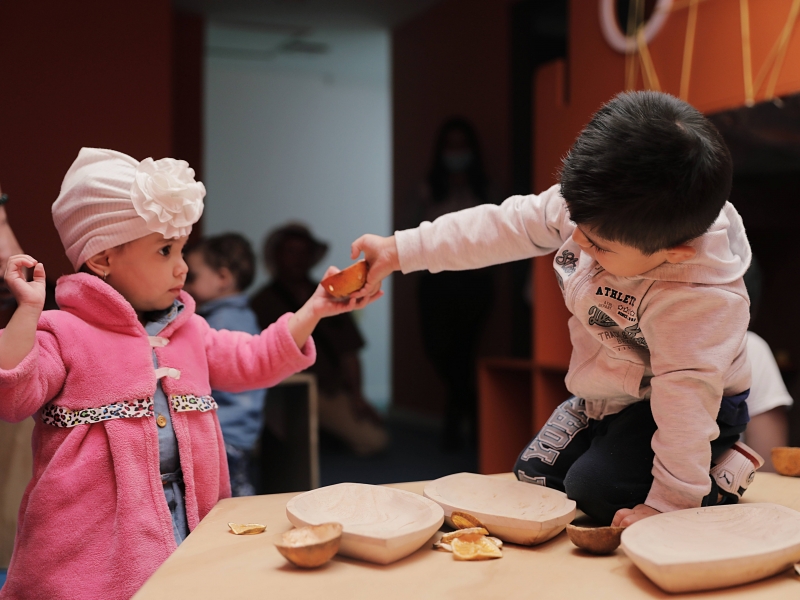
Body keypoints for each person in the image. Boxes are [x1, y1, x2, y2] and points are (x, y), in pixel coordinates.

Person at [351, 91, 760, 528]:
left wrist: (671, 504)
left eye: (599, 246)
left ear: (674, 253)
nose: (578, 243)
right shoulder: (596, 206)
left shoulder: (701, 298)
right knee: (536, 477)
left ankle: (723, 472)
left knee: (596, 493)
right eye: (576, 225)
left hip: (694, 406)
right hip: (608, 393)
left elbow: (685, 408)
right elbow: (502, 226)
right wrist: (400, 250)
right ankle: (600, 422)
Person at [0, 148, 379, 600]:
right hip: (96, 539)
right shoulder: (62, 330)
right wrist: (26, 310)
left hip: (187, 517)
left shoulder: (191, 331)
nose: (182, 265)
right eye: (164, 250)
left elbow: (253, 358)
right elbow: (14, 395)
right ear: (102, 259)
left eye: (182, 249)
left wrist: (314, 310)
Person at [250, 224, 388, 456]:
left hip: (330, 389)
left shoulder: (333, 293)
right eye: (290, 251)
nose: (297, 259)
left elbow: (349, 351)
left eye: (304, 252)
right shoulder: (261, 303)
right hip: (285, 391)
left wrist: (357, 397)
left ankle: (326, 432)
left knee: (375, 440)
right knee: (263, 450)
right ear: (277, 256)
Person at [415, 118, 495, 449]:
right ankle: (474, 413)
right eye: (451, 145)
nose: (456, 152)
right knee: (439, 351)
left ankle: (458, 431)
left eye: (462, 145)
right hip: (435, 282)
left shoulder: (488, 189)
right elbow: (412, 230)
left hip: (474, 283)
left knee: (464, 352)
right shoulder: (427, 187)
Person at [184, 233, 265, 496]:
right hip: (240, 433)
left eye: (191, 277)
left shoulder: (218, 321)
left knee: (224, 501)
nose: (184, 285)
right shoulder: (244, 315)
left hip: (223, 432)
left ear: (223, 278)